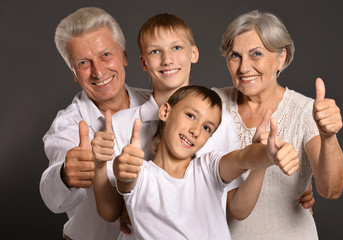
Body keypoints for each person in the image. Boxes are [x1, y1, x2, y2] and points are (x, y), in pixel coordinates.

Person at [90, 13, 240, 239]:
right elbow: (110, 212)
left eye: (177, 48)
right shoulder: (120, 124)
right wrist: (99, 168)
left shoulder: (223, 123)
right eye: (155, 51)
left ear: (194, 53)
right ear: (143, 62)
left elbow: (234, 203)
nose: (167, 60)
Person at [98, 85, 300, 239]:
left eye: (207, 128)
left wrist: (267, 154)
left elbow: (243, 158)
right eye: (190, 115)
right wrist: (121, 167)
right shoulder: (142, 176)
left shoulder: (208, 167)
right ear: (165, 112)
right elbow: (125, 179)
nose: (195, 130)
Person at [213, 10, 343, 239]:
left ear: (281, 57)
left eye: (256, 54)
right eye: (235, 55)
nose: (244, 67)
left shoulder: (305, 111)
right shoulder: (213, 105)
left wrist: (328, 137)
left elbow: (331, 189)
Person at [39, 7, 152, 240]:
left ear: (125, 56)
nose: (99, 72)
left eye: (106, 55)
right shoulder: (68, 125)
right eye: (83, 63)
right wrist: (64, 175)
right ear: (74, 73)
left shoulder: (158, 106)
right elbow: (53, 198)